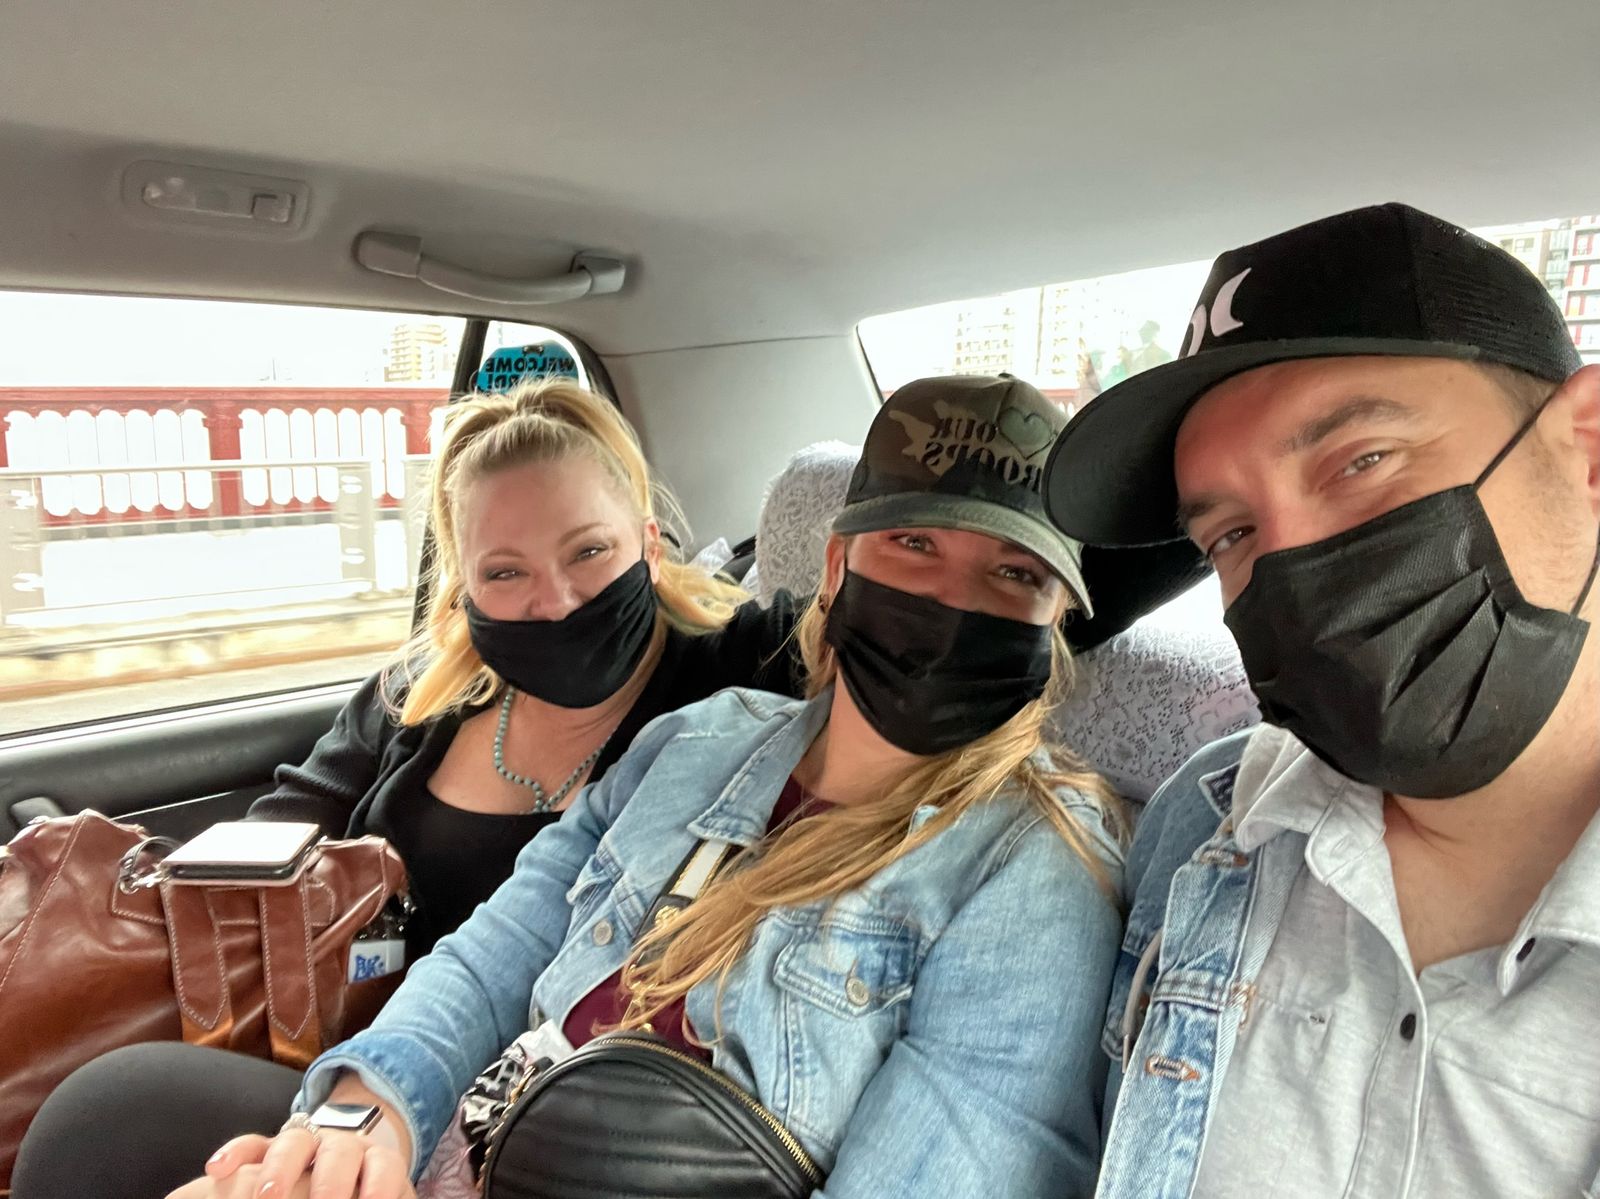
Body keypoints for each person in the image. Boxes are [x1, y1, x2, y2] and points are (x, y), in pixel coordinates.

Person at [17, 373, 1123, 1199]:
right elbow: (499, 951)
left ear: (1056, 616)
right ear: (838, 565)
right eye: (915, 544)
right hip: (474, 1143)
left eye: (1014, 572)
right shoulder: (701, 739)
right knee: (112, 1123)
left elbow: (962, 1150)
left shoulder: (1034, 865)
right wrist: (365, 1114)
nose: (954, 600)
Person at [1041, 202, 1600, 1198]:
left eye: (1361, 461)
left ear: (1588, 453)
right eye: (1230, 534)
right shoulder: (1204, 823)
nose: (1288, 564)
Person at [250, 376, 802, 957]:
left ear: (650, 548)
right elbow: (265, 852)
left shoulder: (750, 661)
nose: (556, 602)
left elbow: (861, 634)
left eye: (589, 551)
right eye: (505, 572)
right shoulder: (410, 697)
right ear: (465, 587)